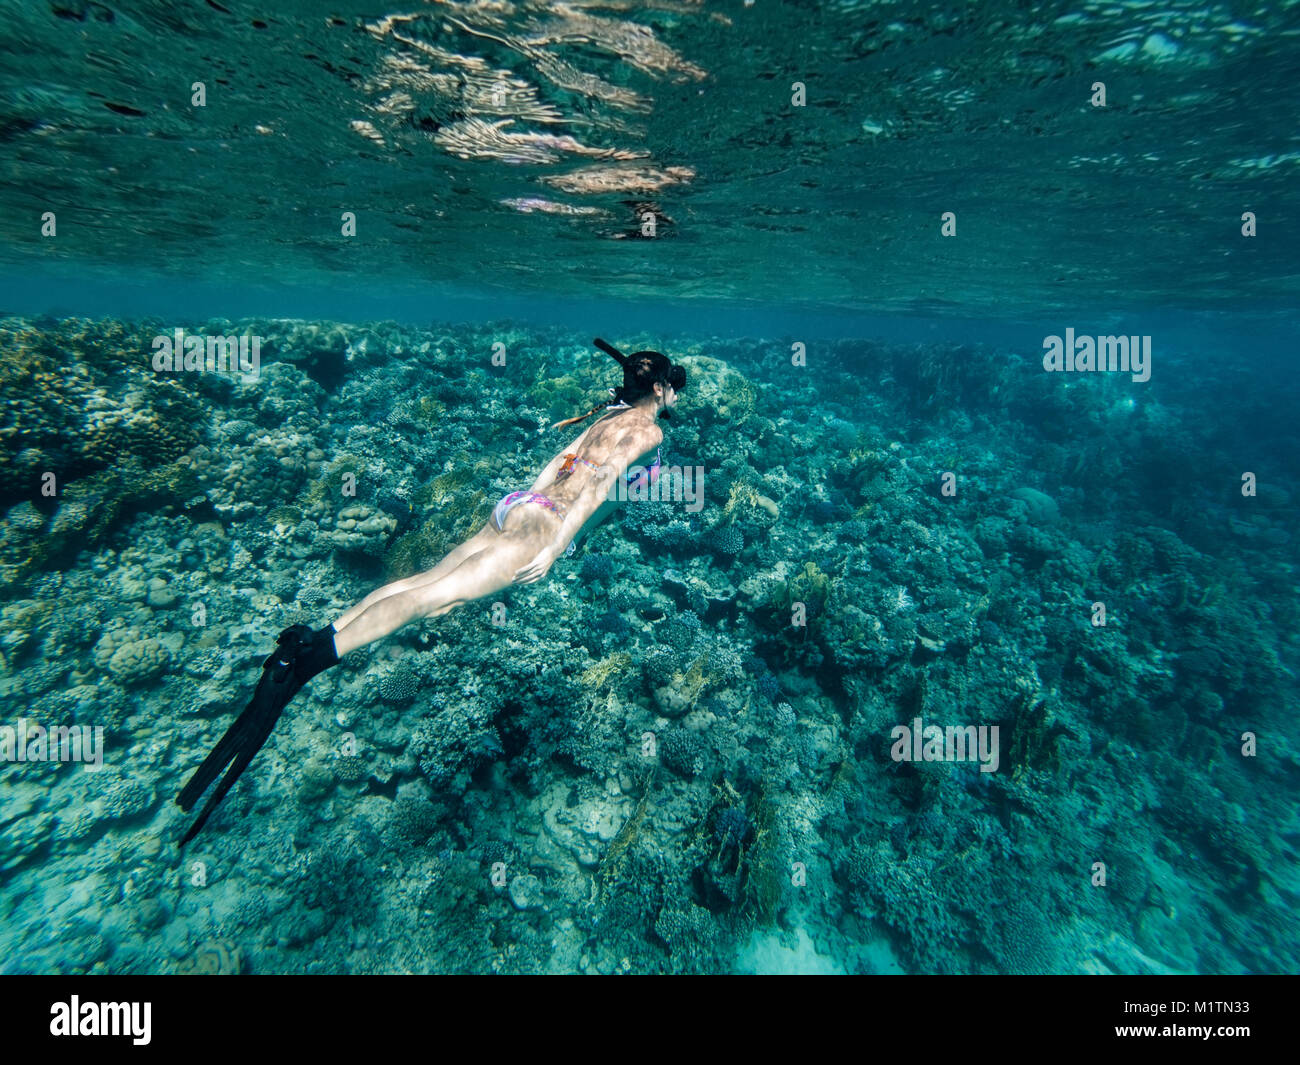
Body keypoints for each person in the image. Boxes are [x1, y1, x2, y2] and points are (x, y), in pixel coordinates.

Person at [176, 338, 688, 843]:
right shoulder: (646, 431)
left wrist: (529, 505)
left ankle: (316, 637)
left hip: (521, 506)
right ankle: (305, 663)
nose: (678, 397)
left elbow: (561, 464)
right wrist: (555, 546)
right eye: (676, 387)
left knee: (422, 584)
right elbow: (601, 485)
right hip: (545, 527)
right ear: (660, 388)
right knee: (435, 599)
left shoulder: (605, 419)